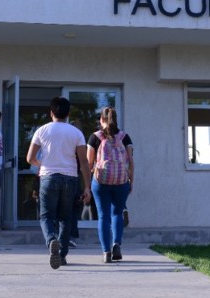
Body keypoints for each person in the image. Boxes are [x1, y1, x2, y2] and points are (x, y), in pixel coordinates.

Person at [26, 97, 92, 270]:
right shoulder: (76, 133)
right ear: (68, 114)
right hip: (70, 178)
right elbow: (84, 162)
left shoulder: (42, 130)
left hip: (48, 177)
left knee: (46, 216)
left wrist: (42, 164)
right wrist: (87, 187)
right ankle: (61, 255)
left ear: (51, 112)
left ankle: (51, 241)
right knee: (66, 218)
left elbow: (29, 158)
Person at [86, 107, 134, 263]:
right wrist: (130, 182)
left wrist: (87, 185)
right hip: (121, 182)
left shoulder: (95, 137)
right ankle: (117, 244)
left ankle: (106, 252)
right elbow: (131, 162)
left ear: (102, 119)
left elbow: (88, 163)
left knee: (103, 216)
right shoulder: (125, 137)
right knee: (117, 213)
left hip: (100, 182)